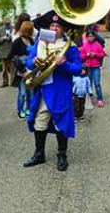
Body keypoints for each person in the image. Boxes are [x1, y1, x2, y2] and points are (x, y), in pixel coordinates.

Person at [23, 10, 82, 172]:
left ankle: (62, 155)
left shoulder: (70, 46)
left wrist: (64, 63)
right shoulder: (41, 42)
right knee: (39, 121)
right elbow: (28, 62)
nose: (54, 28)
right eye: (52, 25)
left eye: (58, 26)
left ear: (63, 30)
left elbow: (78, 69)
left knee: (60, 122)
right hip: (42, 88)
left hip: (60, 90)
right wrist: (33, 61)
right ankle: (39, 154)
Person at [9, 21, 35, 120]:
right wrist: (22, 69)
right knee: (22, 92)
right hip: (21, 71)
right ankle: (20, 110)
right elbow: (13, 56)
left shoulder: (32, 41)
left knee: (30, 92)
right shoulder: (17, 41)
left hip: (31, 70)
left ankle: (29, 109)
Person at [80, 31, 106, 107]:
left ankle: (100, 98)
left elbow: (102, 54)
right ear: (87, 37)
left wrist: (95, 54)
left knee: (97, 83)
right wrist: (87, 55)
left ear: (94, 37)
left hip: (96, 67)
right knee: (89, 83)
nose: (91, 38)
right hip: (87, 67)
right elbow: (81, 57)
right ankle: (90, 98)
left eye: (92, 36)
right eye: (89, 36)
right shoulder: (84, 46)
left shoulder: (98, 45)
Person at [0, 17, 13, 87]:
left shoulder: (13, 29)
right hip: (3, 51)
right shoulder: (0, 29)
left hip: (12, 51)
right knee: (4, 69)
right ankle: (5, 82)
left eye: (8, 24)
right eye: (6, 24)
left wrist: (12, 37)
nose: (7, 25)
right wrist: (2, 38)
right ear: (4, 23)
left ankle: (12, 82)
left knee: (13, 68)